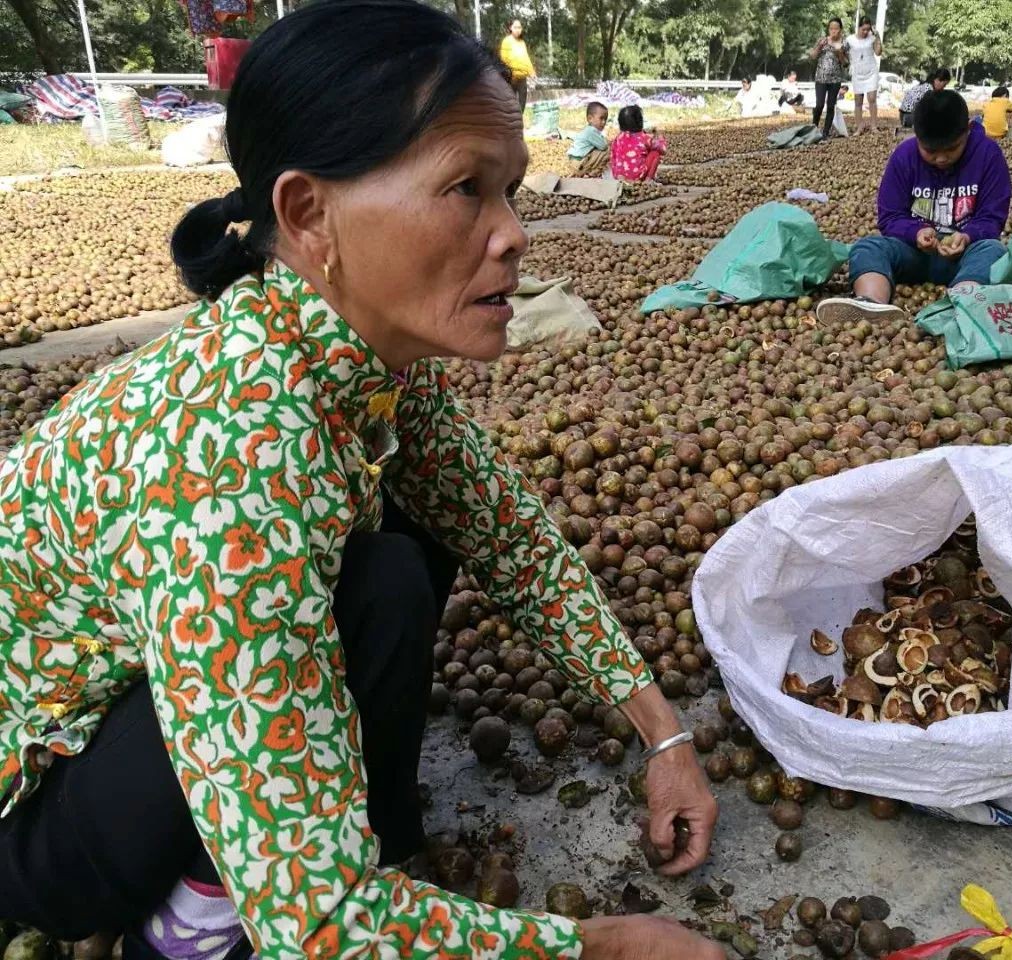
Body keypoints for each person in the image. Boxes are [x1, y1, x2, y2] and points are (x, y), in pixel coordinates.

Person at [0, 4, 725, 960]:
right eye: (465, 189)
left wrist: (663, 734)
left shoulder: (350, 354)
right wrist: (608, 947)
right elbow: (318, 925)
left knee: (394, 558)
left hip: (154, 704)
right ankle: (194, 922)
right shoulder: (236, 458)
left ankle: (352, 841)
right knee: (366, 582)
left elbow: (505, 532)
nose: (515, 235)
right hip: (43, 812)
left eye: (509, 191)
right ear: (310, 215)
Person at [816, 89, 1011, 325]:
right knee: (867, 247)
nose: (941, 159)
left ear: (968, 130)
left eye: (951, 149)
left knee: (995, 252)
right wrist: (915, 232)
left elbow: (992, 218)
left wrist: (968, 236)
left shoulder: (988, 155)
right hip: (914, 253)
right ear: (916, 136)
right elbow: (890, 216)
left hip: (965, 256)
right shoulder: (904, 156)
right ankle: (871, 304)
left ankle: (962, 306)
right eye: (930, 151)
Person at [809, 17, 849, 138]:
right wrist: (819, 47)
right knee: (819, 105)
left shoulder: (844, 43)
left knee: (831, 106)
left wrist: (839, 53)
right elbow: (812, 56)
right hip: (821, 78)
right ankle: (814, 128)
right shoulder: (823, 40)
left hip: (835, 79)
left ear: (840, 30)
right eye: (831, 28)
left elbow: (846, 63)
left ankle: (825, 132)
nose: (833, 31)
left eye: (836, 28)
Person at [611, 105, 667, 181]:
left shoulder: (618, 138)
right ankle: (648, 180)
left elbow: (613, 156)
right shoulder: (644, 138)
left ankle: (621, 176)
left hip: (620, 176)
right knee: (655, 153)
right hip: (638, 175)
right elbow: (663, 149)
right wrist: (661, 139)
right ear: (640, 122)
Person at [848, 16, 882, 133]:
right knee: (858, 101)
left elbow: (878, 52)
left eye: (868, 29)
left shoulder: (872, 38)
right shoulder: (850, 39)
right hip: (857, 72)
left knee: (872, 98)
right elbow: (843, 52)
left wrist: (878, 36)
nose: (866, 32)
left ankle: (873, 126)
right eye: (863, 29)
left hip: (871, 71)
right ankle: (859, 126)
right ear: (859, 28)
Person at [499, 18, 536, 115]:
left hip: (522, 77)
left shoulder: (522, 43)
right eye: (515, 27)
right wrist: (508, 73)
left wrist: (532, 72)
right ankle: (509, 119)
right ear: (510, 28)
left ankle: (519, 119)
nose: (518, 30)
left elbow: (526, 58)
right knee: (510, 101)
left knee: (522, 101)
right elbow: (504, 59)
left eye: (519, 27)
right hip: (511, 77)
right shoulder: (506, 41)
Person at [568, 100, 610, 177]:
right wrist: (610, 143)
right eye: (601, 118)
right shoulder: (591, 131)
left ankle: (585, 173)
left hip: (575, 162)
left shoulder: (588, 130)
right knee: (608, 151)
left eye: (605, 119)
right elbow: (603, 146)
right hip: (580, 163)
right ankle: (591, 173)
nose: (604, 122)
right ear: (590, 118)